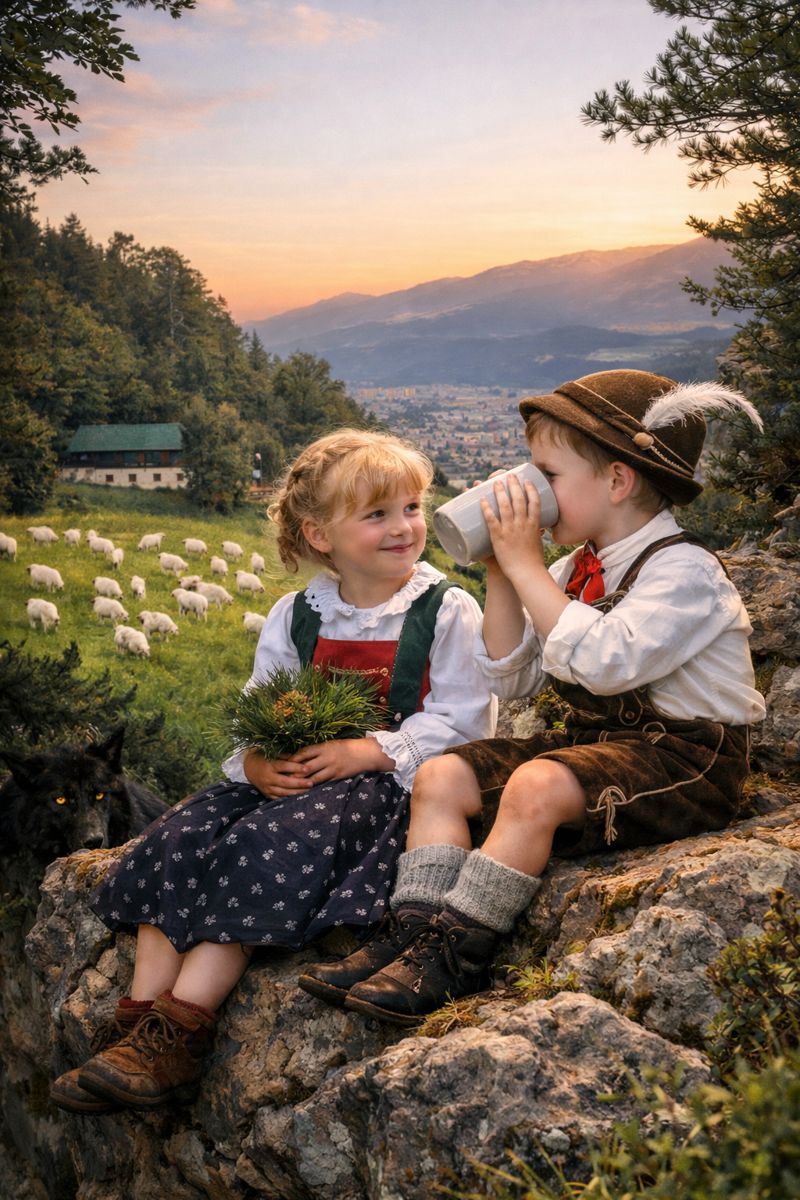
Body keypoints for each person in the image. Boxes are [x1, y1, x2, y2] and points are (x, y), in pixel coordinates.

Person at [299, 370, 767, 1026]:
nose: (532, 491)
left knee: (535, 787)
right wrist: (500, 570)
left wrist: (523, 566)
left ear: (616, 481)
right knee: (443, 774)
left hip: (688, 759)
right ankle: (409, 932)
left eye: (546, 475)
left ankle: (455, 951)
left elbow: (605, 663)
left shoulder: (682, 569)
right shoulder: (575, 567)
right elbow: (512, 677)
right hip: (601, 748)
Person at [50, 428, 496, 1112]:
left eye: (411, 507)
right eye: (376, 514)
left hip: (380, 791)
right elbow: (260, 707)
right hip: (296, 780)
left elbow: (465, 719)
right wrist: (257, 762)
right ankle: (135, 1024)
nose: (404, 527)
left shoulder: (445, 610)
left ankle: (179, 1032)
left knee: (262, 849)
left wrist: (368, 750)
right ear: (321, 535)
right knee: (182, 834)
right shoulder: (298, 614)